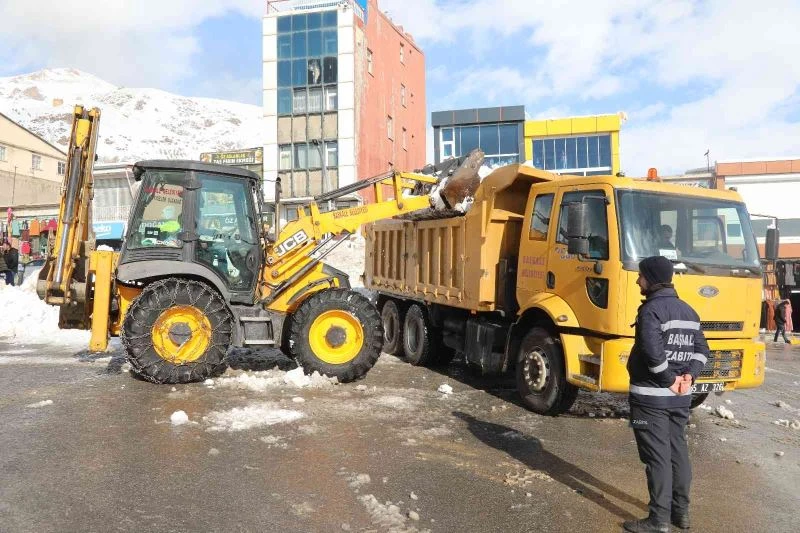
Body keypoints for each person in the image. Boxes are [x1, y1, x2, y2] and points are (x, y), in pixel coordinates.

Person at [624, 255, 710, 533]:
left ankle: (658, 521)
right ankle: (680, 514)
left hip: (650, 398)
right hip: (680, 397)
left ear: (652, 278)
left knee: (656, 457)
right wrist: (689, 376)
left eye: (641, 276)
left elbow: (652, 351)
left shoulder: (651, 311)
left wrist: (669, 379)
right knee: (678, 452)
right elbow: (701, 351)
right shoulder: (689, 311)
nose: (638, 280)